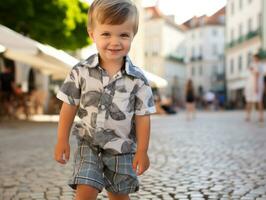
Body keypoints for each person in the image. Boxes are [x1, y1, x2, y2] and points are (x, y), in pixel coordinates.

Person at [54, 1, 156, 200]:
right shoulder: (80, 71)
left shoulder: (138, 80)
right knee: (85, 191)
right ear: (92, 34)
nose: (115, 42)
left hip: (122, 148)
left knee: (118, 196)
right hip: (88, 144)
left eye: (123, 35)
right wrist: (61, 140)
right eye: (106, 34)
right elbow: (68, 107)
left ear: (133, 36)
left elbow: (143, 117)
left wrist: (142, 151)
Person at [244, 53, 265, 122]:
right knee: (249, 101)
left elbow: (257, 75)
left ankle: (260, 116)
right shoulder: (252, 65)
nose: (254, 59)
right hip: (250, 85)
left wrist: (256, 86)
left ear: (258, 58)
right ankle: (248, 116)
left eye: (255, 58)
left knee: (258, 101)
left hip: (256, 85)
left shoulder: (259, 65)